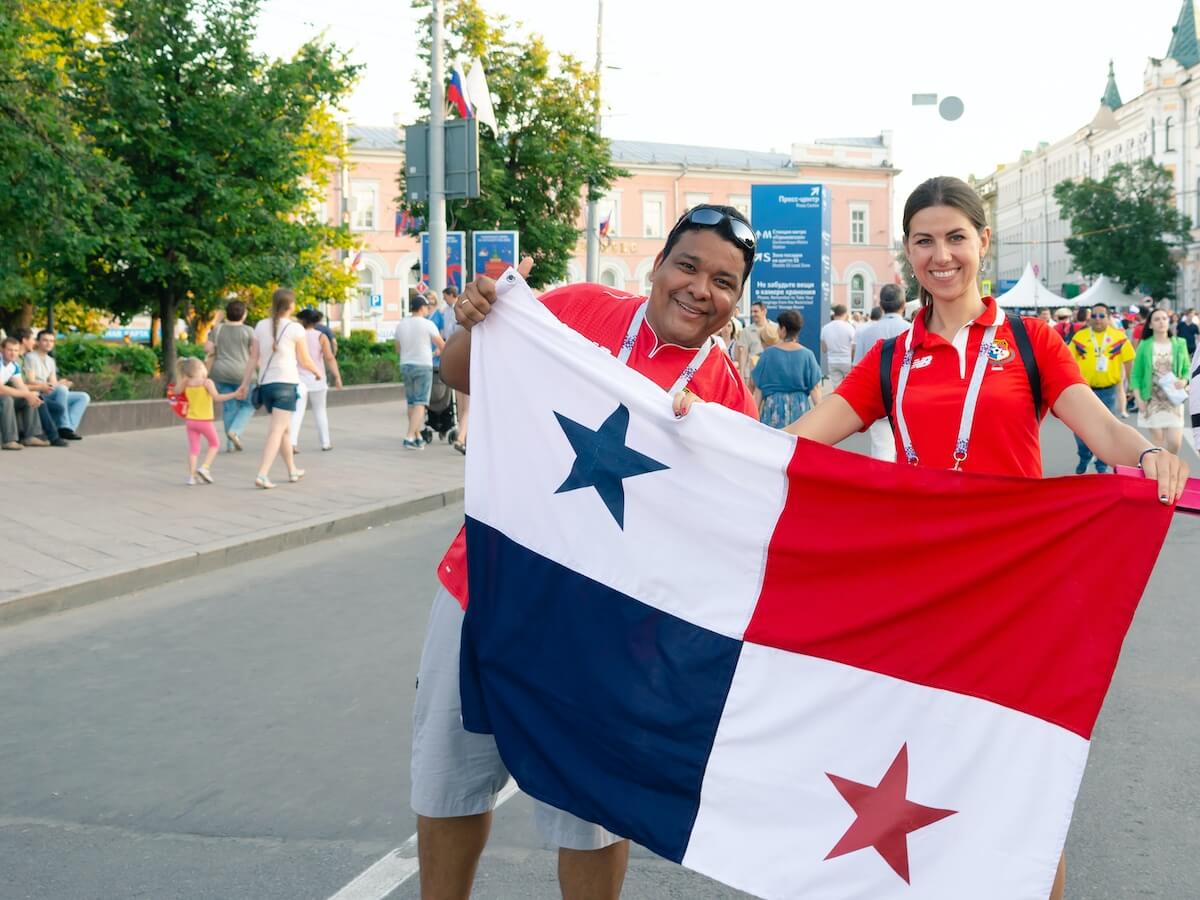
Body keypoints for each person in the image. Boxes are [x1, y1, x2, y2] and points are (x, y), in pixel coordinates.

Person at [674, 177, 1189, 900]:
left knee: (1024, 797)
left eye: (955, 237)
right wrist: (708, 430)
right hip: (925, 602)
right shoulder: (892, 357)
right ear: (906, 254)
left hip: (1014, 601)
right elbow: (794, 447)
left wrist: (1147, 456)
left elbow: (1099, 427)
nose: (940, 254)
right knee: (919, 786)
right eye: (924, 240)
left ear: (983, 242)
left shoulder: (1029, 340)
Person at [418, 204, 758, 900]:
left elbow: (731, 530)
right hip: (487, 585)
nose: (701, 289)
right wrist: (475, 318)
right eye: (688, 266)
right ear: (657, 267)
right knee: (450, 777)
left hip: (604, 628)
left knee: (592, 814)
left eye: (724, 281)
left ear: (736, 299)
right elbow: (461, 373)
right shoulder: (577, 309)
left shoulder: (726, 395)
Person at [239, 288, 322, 489]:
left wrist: (244, 383)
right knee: (277, 430)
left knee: (285, 430)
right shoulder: (295, 329)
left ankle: (292, 469)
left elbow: (253, 358)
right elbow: (304, 359)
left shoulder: (260, 325)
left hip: (266, 385)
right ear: (291, 306)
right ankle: (263, 474)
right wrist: (317, 372)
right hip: (286, 385)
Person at [1069, 303, 1136, 473]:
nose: (1097, 319)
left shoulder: (1119, 337)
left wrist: (1132, 387)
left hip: (1108, 391)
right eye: (1094, 316)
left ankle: (1101, 464)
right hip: (1084, 391)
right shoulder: (1080, 337)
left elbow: (1129, 362)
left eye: (1101, 316)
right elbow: (1067, 361)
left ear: (1108, 317)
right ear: (1089, 318)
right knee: (1080, 427)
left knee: (1106, 430)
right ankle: (1084, 455)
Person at [850, 284, 911, 461]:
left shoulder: (866, 331)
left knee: (881, 451)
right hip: (908, 399)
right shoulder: (912, 329)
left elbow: (857, 368)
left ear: (881, 305)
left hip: (877, 399)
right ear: (903, 304)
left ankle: (884, 487)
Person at [1132, 307, 1190, 455]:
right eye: (1156, 319)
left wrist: (1184, 381)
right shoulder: (1144, 345)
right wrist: (1138, 398)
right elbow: (1136, 375)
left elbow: (1186, 369)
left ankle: (1168, 465)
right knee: (1157, 442)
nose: (1161, 322)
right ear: (1150, 325)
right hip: (1152, 400)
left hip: (1173, 400)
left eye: (1164, 318)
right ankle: (1159, 474)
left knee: (1175, 443)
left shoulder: (1179, 344)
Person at [175, 357, 242, 484]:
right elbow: (217, 397)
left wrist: (183, 380)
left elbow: (177, 391)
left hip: (190, 421)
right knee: (214, 444)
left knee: (194, 449)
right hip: (204, 421)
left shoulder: (186, 382)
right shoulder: (207, 382)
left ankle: (192, 476)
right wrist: (234, 394)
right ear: (200, 368)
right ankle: (205, 468)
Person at [751, 309, 822, 427]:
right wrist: (820, 416)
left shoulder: (768, 354)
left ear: (783, 330)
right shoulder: (807, 354)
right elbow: (814, 389)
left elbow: (759, 390)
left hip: (773, 407)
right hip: (800, 407)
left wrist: (753, 418)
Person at [394, 295, 445, 450]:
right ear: (422, 308)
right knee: (421, 403)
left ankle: (417, 436)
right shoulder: (428, 324)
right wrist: (436, 352)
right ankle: (409, 436)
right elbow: (442, 346)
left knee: (411, 402)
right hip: (423, 364)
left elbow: (397, 348)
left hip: (405, 364)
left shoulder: (401, 325)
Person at [289, 308, 343, 453]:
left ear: (301, 320)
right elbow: (329, 358)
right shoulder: (321, 336)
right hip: (317, 377)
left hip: (298, 377)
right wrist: (337, 377)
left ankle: (292, 443)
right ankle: (325, 443)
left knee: (297, 411)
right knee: (320, 411)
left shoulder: (295, 336)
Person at [205, 299, 255, 452]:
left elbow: (208, 349)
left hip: (221, 373)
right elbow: (254, 354)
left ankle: (230, 444)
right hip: (243, 374)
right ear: (244, 315)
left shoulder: (218, 329)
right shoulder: (249, 331)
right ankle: (235, 431)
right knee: (249, 404)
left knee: (229, 406)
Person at [22, 330, 90, 439]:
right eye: (45, 340)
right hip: (39, 392)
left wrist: (60, 383)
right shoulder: (31, 357)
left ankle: (69, 429)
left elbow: (53, 382)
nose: (49, 343)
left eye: (51, 341)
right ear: (38, 342)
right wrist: (57, 385)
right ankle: (63, 426)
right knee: (62, 389)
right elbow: (30, 381)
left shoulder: (50, 360)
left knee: (83, 397)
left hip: (51, 392)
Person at [9, 327, 65, 446]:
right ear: (24, 340)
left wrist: (39, 389)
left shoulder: (22, 358)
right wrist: (39, 388)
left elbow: (22, 384)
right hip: (11, 394)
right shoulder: (17, 359)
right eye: (33, 339)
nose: (34, 342)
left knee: (58, 408)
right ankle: (53, 436)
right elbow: (19, 385)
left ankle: (39, 434)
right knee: (36, 398)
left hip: (22, 393)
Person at [1, 336, 43, 449]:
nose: (13, 353)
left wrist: (30, 396)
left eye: (15, 350)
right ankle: (8, 440)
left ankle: (30, 436)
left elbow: (20, 385)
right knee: (6, 399)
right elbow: (1, 389)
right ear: (2, 349)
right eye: (9, 350)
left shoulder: (14, 366)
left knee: (28, 398)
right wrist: (26, 394)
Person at [820, 304, 855, 387]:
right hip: (847, 360)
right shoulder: (849, 327)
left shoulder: (825, 328)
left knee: (837, 388)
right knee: (849, 386)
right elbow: (854, 347)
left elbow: (824, 349)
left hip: (832, 360)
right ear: (845, 314)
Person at [735, 300, 767, 377]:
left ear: (764, 311)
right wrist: (741, 375)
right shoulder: (746, 331)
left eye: (756, 311)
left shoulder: (774, 329)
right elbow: (743, 353)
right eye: (751, 312)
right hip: (751, 373)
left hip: (769, 373)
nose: (753, 314)